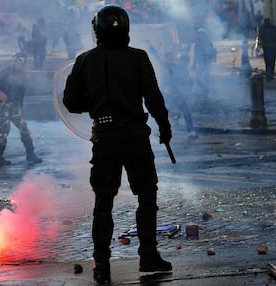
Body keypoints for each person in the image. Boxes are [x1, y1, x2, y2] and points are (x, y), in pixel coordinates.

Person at [63, 5, 172, 284]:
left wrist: (99, 104)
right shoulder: (138, 58)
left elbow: (70, 102)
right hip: (135, 137)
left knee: (103, 202)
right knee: (146, 195)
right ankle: (148, 255)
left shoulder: (84, 61)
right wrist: (164, 127)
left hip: (104, 138)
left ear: (96, 29)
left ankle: (101, 263)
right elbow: (153, 97)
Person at [0, 53, 42, 166]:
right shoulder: (6, 71)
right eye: (17, 62)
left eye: (22, 63)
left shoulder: (23, 75)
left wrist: (20, 107)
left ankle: (30, 153)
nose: (19, 65)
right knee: (4, 129)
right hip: (3, 105)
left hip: (16, 105)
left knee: (23, 127)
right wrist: (0, 92)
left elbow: (22, 91)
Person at [149, 45, 198, 138]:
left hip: (179, 95)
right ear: (180, 60)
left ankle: (191, 131)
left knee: (186, 112)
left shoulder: (185, 72)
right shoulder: (172, 66)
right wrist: (154, 52)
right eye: (183, 60)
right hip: (170, 94)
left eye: (186, 60)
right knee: (164, 113)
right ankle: (158, 130)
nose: (184, 62)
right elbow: (160, 61)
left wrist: (187, 94)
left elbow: (189, 84)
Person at [193, 27, 216, 97]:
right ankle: (204, 89)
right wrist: (194, 64)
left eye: (202, 34)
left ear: (205, 34)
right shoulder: (197, 45)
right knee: (197, 79)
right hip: (200, 64)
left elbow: (212, 52)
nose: (200, 35)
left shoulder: (209, 43)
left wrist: (211, 61)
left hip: (207, 64)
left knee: (206, 78)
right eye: (199, 34)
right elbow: (195, 55)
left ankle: (205, 92)